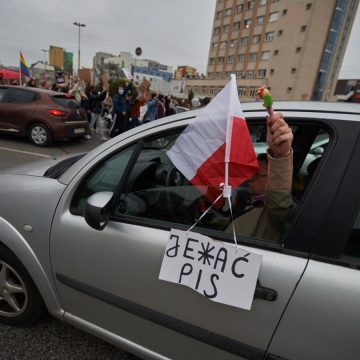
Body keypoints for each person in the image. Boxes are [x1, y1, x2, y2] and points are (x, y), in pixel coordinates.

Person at [226, 112, 294, 241]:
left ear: (271, 179)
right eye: (252, 174)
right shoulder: (243, 199)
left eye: (258, 175)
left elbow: (278, 204)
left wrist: (281, 156)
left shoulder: (273, 214)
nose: (250, 179)